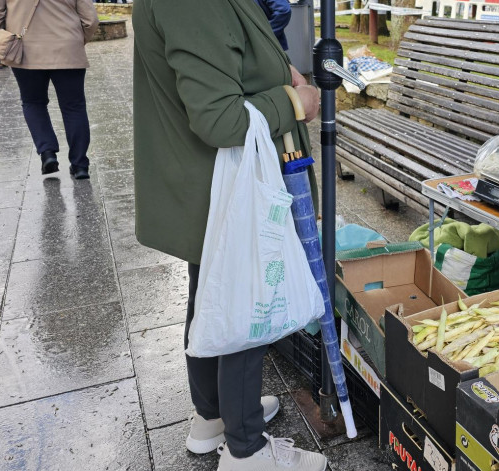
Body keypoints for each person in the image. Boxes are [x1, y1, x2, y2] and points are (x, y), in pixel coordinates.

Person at [132, 0, 323, 469]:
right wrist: (295, 100)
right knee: (245, 302)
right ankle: (247, 450)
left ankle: (214, 416)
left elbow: (225, 61)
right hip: (223, 183)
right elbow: (220, 119)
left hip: (207, 181)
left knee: (212, 294)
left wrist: (281, 72)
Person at [0, 0, 98, 179]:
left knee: (32, 102)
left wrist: (4, 34)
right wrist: (76, 39)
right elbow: (90, 19)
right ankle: (80, 164)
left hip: (24, 47)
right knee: (74, 107)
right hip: (67, 46)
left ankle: (47, 153)